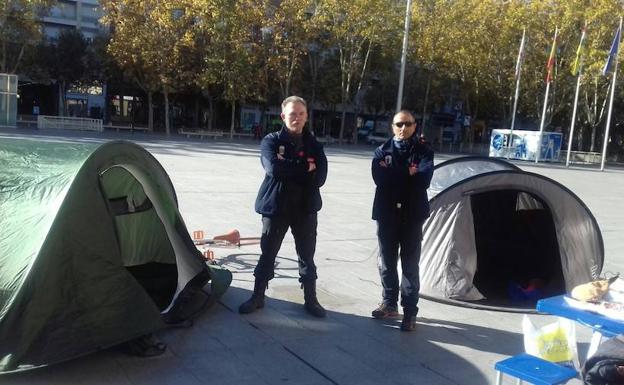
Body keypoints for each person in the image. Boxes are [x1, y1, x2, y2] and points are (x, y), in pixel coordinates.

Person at [239, 96, 328, 318]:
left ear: (306, 116)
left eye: (300, 114)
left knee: (307, 255)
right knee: (268, 253)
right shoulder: (270, 141)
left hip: (305, 208)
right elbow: (274, 169)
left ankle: (311, 299)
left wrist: (293, 168)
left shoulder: (314, 145)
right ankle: (258, 296)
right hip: (276, 206)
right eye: (292, 114)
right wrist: (305, 168)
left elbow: (320, 177)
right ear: (283, 116)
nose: (296, 118)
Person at [370, 110, 434, 331]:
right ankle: (389, 303)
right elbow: (380, 179)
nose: (403, 128)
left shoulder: (424, 151)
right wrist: (408, 172)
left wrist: (395, 174)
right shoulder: (381, 151)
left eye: (408, 124)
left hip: (412, 214)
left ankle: (409, 312)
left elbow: (423, 180)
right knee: (387, 261)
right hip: (386, 213)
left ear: (415, 126)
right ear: (392, 126)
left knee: (409, 264)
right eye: (399, 124)